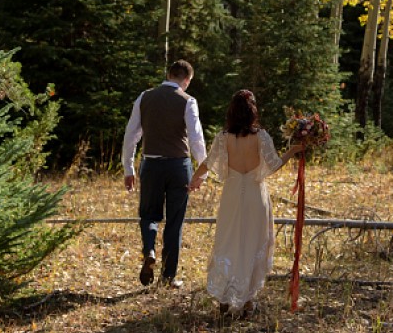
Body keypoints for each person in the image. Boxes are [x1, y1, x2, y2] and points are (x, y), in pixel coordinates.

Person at [189, 89, 303, 315]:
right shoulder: (261, 136)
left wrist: (194, 178)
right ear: (253, 112)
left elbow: (209, 162)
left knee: (229, 241)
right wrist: (292, 151)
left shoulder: (223, 137)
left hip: (232, 195)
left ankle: (225, 297)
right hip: (254, 194)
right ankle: (247, 299)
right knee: (251, 243)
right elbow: (273, 164)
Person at [122, 60, 206, 289]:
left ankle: (149, 249)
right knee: (174, 222)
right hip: (179, 166)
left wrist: (128, 168)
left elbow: (131, 136)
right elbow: (196, 139)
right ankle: (168, 277)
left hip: (151, 165)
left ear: (168, 74)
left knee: (149, 215)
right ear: (186, 80)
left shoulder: (144, 97)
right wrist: (202, 172)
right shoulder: (188, 101)